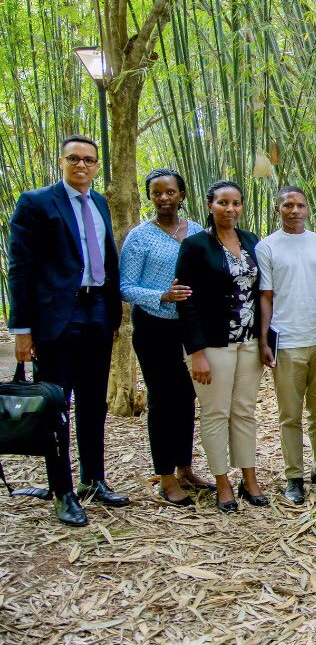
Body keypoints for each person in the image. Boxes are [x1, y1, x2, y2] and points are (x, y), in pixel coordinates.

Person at [7, 135, 129, 524]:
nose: (82, 165)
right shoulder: (37, 202)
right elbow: (20, 269)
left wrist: (112, 316)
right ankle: (62, 491)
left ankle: (93, 479)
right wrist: (22, 330)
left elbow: (107, 259)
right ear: (61, 161)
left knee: (94, 402)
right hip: (56, 316)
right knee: (57, 405)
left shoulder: (99, 202)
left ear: (96, 166)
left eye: (89, 160)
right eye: (74, 159)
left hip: (96, 310)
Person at [119, 168, 214, 506]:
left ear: (181, 195)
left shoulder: (199, 233)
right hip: (154, 327)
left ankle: (186, 467)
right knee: (162, 401)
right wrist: (162, 295)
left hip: (190, 327)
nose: (163, 198)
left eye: (170, 192)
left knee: (187, 397)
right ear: (150, 197)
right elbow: (126, 287)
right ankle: (166, 477)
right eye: (157, 193)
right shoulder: (140, 236)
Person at [175, 180, 266, 513]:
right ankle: (223, 484)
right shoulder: (196, 245)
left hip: (249, 341)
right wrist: (196, 352)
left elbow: (262, 293)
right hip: (212, 344)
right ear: (210, 205)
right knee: (216, 413)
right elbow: (185, 301)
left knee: (244, 411)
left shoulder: (252, 241)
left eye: (237, 203)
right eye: (223, 203)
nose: (231, 209)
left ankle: (249, 478)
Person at [256, 187, 316, 505]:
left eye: (300, 205)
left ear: (308, 210)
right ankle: (294, 476)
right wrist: (264, 339)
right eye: (287, 205)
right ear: (277, 209)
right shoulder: (267, 246)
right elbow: (265, 295)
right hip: (288, 342)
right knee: (289, 415)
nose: (294, 210)